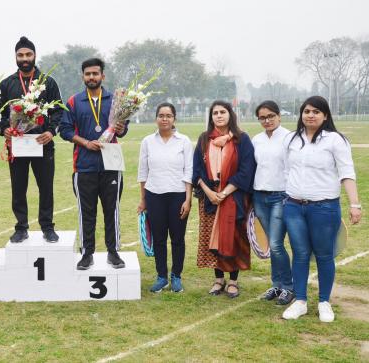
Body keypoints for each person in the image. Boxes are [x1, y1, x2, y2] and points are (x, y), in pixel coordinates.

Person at [281, 96, 361, 323]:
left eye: (316, 111)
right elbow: (287, 171)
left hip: (325, 208)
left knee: (325, 255)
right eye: (307, 111)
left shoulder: (335, 140)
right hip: (294, 206)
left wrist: (354, 205)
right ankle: (301, 301)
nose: (311, 115)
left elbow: (347, 173)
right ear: (301, 114)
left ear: (325, 115)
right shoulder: (291, 140)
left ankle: (324, 302)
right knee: (300, 254)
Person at [59, 57, 129, 270]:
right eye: (88, 74)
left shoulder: (115, 100)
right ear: (83, 77)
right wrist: (85, 143)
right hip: (84, 166)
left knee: (112, 210)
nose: (92, 77)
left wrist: (119, 129)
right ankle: (87, 253)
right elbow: (65, 130)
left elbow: (124, 129)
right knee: (86, 212)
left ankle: (113, 252)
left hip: (111, 165)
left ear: (102, 76)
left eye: (95, 73)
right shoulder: (74, 101)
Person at [0, 36, 63, 243]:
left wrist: (51, 132)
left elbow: (58, 111)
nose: (24, 58)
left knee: (46, 187)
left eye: (28, 54)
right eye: (20, 55)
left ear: (34, 56)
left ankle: (47, 226)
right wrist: (4, 129)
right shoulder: (7, 84)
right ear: (15, 57)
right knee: (18, 187)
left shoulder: (48, 82)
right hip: (17, 145)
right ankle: (21, 227)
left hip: (42, 144)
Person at [192, 100, 255, 298]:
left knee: (234, 237)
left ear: (230, 115)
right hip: (209, 199)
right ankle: (218, 279)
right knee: (214, 238)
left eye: (223, 112)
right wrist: (210, 192)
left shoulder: (241, 139)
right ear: (211, 117)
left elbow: (246, 170)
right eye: (215, 113)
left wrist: (225, 193)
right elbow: (196, 171)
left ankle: (234, 281)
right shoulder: (204, 140)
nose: (219, 115)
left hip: (233, 197)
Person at [137, 102, 193, 293]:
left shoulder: (184, 141)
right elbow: (143, 172)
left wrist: (188, 199)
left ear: (174, 118)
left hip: (178, 196)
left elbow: (189, 171)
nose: (164, 119)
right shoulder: (147, 141)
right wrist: (143, 199)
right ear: (156, 118)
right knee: (159, 239)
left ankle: (176, 276)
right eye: (161, 115)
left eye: (168, 116)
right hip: (154, 196)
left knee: (177, 239)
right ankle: (161, 276)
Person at [252, 100, 294, 305]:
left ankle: (288, 287)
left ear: (279, 116)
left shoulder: (289, 138)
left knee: (276, 244)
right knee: (271, 242)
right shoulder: (256, 140)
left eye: (270, 116)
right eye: (262, 117)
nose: (267, 120)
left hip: (281, 196)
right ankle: (276, 285)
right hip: (259, 196)